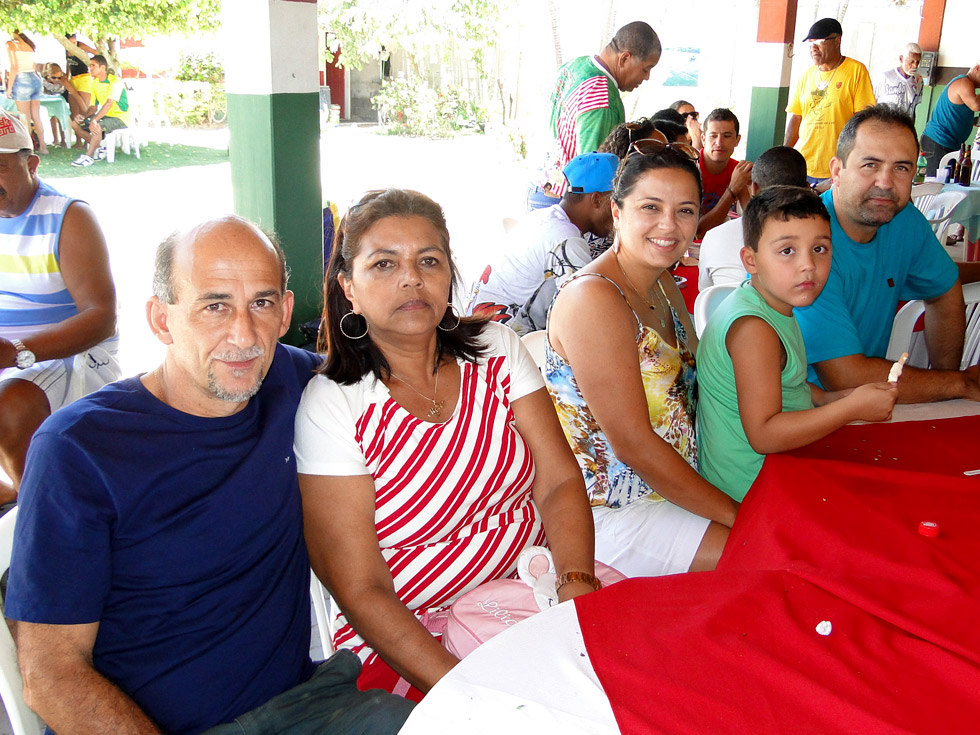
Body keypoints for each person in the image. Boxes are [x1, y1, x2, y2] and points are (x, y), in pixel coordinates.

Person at [6, 215, 415, 735]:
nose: (243, 335)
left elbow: (417, 399)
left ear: (286, 312)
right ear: (161, 320)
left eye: (261, 303)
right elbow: (51, 674)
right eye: (214, 305)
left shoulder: (299, 386)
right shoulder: (79, 448)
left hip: (306, 705)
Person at [295, 189, 597, 698]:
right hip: (413, 644)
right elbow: (361, 588)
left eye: (428, 260)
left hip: (533, 595)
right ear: (349, 287)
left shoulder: (496, 350)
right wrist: (467, 693)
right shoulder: (335, 405)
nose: (411, 278)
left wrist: (575, 591)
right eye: (384, 264)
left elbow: (558, 482)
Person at [545, 140, 738, 578]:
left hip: (677, 484)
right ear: (616, 212)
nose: (669, 225)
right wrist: (736, 514)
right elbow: (633, 445)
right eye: (650, 207)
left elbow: (704, 383)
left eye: (685, 210)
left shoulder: (662, 283)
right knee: (763, 552)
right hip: (612, 510)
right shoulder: (594, 299)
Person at [697, 186, 897, 502]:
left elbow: (788, 382)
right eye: (787, 250)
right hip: (752, 489)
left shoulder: (773, 305)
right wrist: (850, 409)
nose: (808, 265)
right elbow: (764, 435)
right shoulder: (754, 330)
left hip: (776, 467)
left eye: (820, 248)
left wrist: (830, 398)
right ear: (750, 260)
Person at [795, 104, 980, 404]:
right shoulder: (806, 241)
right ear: (837, 171)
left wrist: (946, 384)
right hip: (795, 412)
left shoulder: (904, 221)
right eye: (870, 164)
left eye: (901, 168)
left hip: (865, 408)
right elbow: (844, 377)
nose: (885, 183)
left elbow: (944, 287)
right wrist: (958, 384)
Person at [0, 111, 119, 506]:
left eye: (0, 167)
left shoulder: (69, 217)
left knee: (10, 406)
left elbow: (101, 317)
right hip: (10, 355)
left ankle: (40, 509)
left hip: (68, 354)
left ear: (31, 164)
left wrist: (16, 351)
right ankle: (18, 498)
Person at [467, 152, 618, 333]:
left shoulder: (541, 216)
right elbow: (587, 313)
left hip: (477, 329)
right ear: (596, 199)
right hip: (499, 340)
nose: (620, 211)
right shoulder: (566, 239)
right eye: (617, 202)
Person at [548, 21, 661, 194]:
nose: (647, 77)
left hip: (544, 186)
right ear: (624, 59)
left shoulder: (575, 66)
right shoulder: (602, 97)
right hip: (567, 196)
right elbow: (592, 173)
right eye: (646, 69)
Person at [698, 145, 808, 289]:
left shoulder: (715, 237)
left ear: (754, 188)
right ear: (807, 189)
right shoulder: (819, 241)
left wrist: (735, 190)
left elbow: (705, 293)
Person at [784, 18, 875, 185]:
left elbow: (863, 119)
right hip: (803, 164)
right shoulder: (806, 76)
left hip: (838, 166)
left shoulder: (856, 71)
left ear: (837, 40)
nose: (813, 48)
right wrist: (784, 153)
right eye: (811, 43)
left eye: (819, 42)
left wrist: (855, 160)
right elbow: (796, 118)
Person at [697, 108, 753, 239]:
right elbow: (699, 232)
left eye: (727, 136)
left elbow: (753, 221)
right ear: (703, 139)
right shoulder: (691, 168)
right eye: (713, 136)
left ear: (737, 140)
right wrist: (732, 190)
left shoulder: (739, 170)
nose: (719, 142)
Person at [70, 54, 131, 167]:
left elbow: (109, 104)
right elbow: (93, 107)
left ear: (102, 67)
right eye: (90, 65)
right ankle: (99, 148)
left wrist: (95, 119)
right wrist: (84, 117)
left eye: (93, 65)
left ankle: (88, 157)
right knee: (75, 124)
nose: (90, 68)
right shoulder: (95, 83)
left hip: (120, 118)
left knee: (97, 125)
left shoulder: (115, 82)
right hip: (105, 117)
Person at [920, 62, 980, 176]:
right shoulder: (964, 82)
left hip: (948, 145)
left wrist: (973, 121)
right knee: (935, 182)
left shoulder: (967, 86)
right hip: (938, 142)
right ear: (977, 68)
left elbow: (957, 116)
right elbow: (976, 105)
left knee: (947, 182)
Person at [5, 32, 48, 156]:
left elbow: (14, 67)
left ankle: (29, 148)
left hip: (21, 79)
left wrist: (9, 88)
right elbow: (33, 65)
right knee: (36, 116)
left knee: (25, 118)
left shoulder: (11, 44)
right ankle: (43, 147)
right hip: (35, 79)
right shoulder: (28, 45)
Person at [874, 43, 923, 119]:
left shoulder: (918, 81)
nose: (915, 66)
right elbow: (871, 100)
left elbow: (914, 108)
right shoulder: (885, 77)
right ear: (901, 59)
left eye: (918, 62)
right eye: (911, 62)